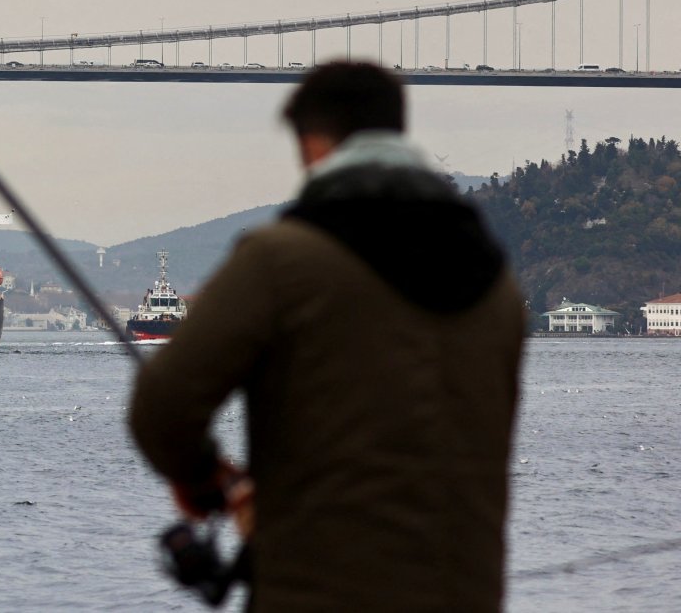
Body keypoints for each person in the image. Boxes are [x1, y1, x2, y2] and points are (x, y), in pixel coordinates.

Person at [129, 61, 524, 612]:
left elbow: (163, 409)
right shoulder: (497, 286)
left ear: (312, 143)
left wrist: (206, 480)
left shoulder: (280, 261)